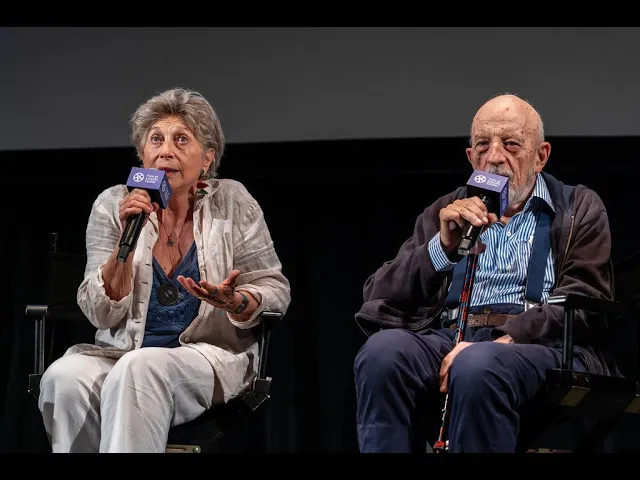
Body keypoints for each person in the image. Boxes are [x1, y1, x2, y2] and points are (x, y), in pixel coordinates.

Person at [352, 93, 618, 453]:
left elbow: (586, 296)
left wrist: (506, 339)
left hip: (542, 342)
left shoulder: (577, 206)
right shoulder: (445, 210)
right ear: (471, 157)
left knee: (478, 364)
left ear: (540, 156)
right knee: (382, 355)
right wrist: (442, 247)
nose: (494, 157)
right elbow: (379, 292)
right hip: (455, 334)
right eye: (483, 145)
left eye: (511, 144)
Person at [37, 87, 291, 453]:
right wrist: (126, 239)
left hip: (208, 357)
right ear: (142, 156)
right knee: (63, 378)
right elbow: (100, 313)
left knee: (140, 368)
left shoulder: (233, 201)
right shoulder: (113, 205)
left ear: (207, 159)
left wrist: (237, 301)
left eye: (181, 139)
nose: (165, 151)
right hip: (122, 354)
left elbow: (274, 288)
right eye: (156, 139)